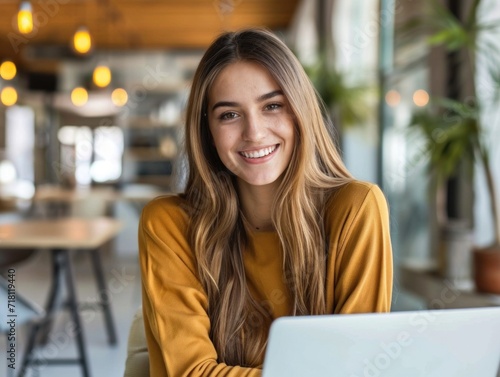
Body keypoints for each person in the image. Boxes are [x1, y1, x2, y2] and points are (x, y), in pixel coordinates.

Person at [139, 28, 393, 377]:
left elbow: (361, 367)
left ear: (299, 112)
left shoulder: (356, 209)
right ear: (207, 133)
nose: (254, 133)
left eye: (272, 106)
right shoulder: (169, 223)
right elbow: (189, 372)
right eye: (229, 114)